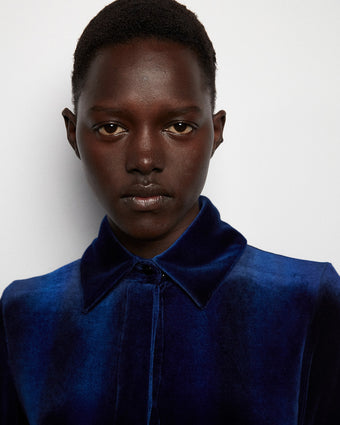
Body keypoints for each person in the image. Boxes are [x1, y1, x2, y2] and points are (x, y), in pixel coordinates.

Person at [1, 0, 339, 423]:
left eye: (178, 126)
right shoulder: (24, 314)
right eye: (112, 127)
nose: (144, 159)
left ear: (215, 133)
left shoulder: (307, 302)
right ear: (73, 133)